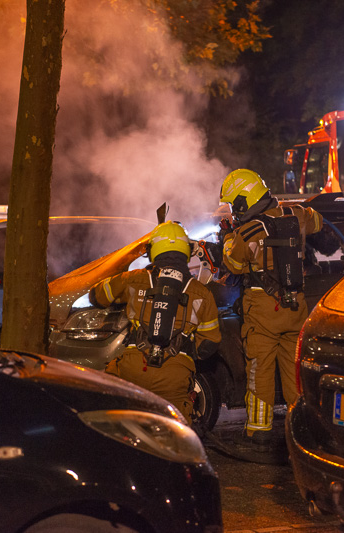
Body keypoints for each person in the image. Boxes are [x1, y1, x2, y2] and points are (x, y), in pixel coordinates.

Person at [219, 168, 323, 453]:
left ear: (244, 201)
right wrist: (297, 209)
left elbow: (234, 265)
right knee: (293, 369)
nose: (234, 210)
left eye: (234, 205)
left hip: (263, 308)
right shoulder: (296, 215)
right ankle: (300, 427)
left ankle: (258, 431)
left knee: (260, 369)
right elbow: (318, 221)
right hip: (295, 305)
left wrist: (228, 237)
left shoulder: (249, 231)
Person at [90, 221, 221, 424]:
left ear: (153, 250)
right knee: (176, 434)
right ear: (186, 250)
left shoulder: (133, 279)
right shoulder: (201, 293)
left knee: (124, 425)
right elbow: (209, 344)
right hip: (175, 372)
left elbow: (97, 295)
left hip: (134, 368)